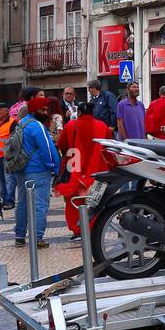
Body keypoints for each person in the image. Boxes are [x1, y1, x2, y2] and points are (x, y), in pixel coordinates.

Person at [56, 100, 110, 241]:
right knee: (94, 201)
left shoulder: (70, 125)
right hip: (97, 170)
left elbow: (61, 145)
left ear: (78, 112)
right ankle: (93, 228)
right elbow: (109, 146)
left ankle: (77, 230)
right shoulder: (102, 126)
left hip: (74, 167)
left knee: (73, 202)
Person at [11, 97, 60, 249]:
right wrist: (54, 165)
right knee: (40, 204)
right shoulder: (37, 125)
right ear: (34, 110)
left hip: (21, 169)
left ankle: (19, 236)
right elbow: (47, 148)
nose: (46, 113)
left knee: (22, 203)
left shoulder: (22, 123)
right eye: (43, 110)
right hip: (38, 170)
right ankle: (37, 237)